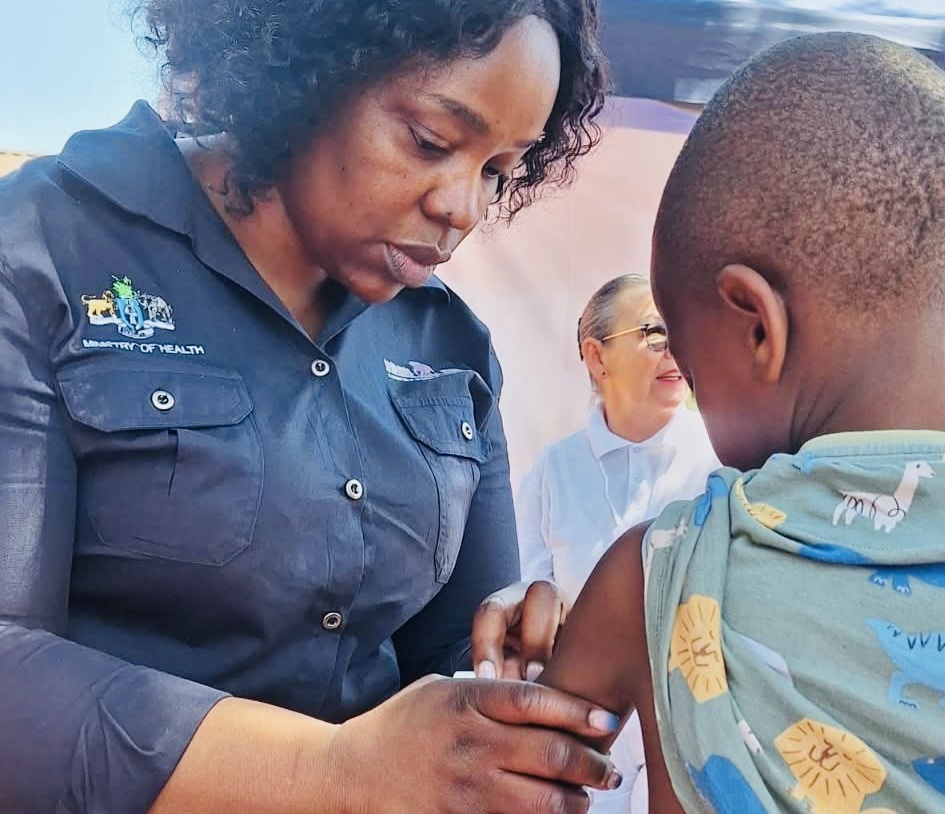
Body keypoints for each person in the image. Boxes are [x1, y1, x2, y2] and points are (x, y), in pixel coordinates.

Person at [0, 1, 621, 812]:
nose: (462, 208)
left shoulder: (448, 345)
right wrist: (329, 772)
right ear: (300, 73)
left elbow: (445, 656)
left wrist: (507, 669)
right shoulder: (45, 245)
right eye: (431, 142)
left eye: (498, 169)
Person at [525, 31, 945, 812]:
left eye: (683, 350)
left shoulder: (663, 572)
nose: (682, 387)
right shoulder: (556, 470)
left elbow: (507, 777)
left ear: (755, 326)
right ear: (592, 359)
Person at [516, 273, 719, 811]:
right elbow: (528, 611)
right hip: (583, 764)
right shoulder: (552, 474)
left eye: (681, 330)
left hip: (694, 763)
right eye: (654, 332)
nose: (675, 349)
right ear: (597, 358)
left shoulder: (725, 462)